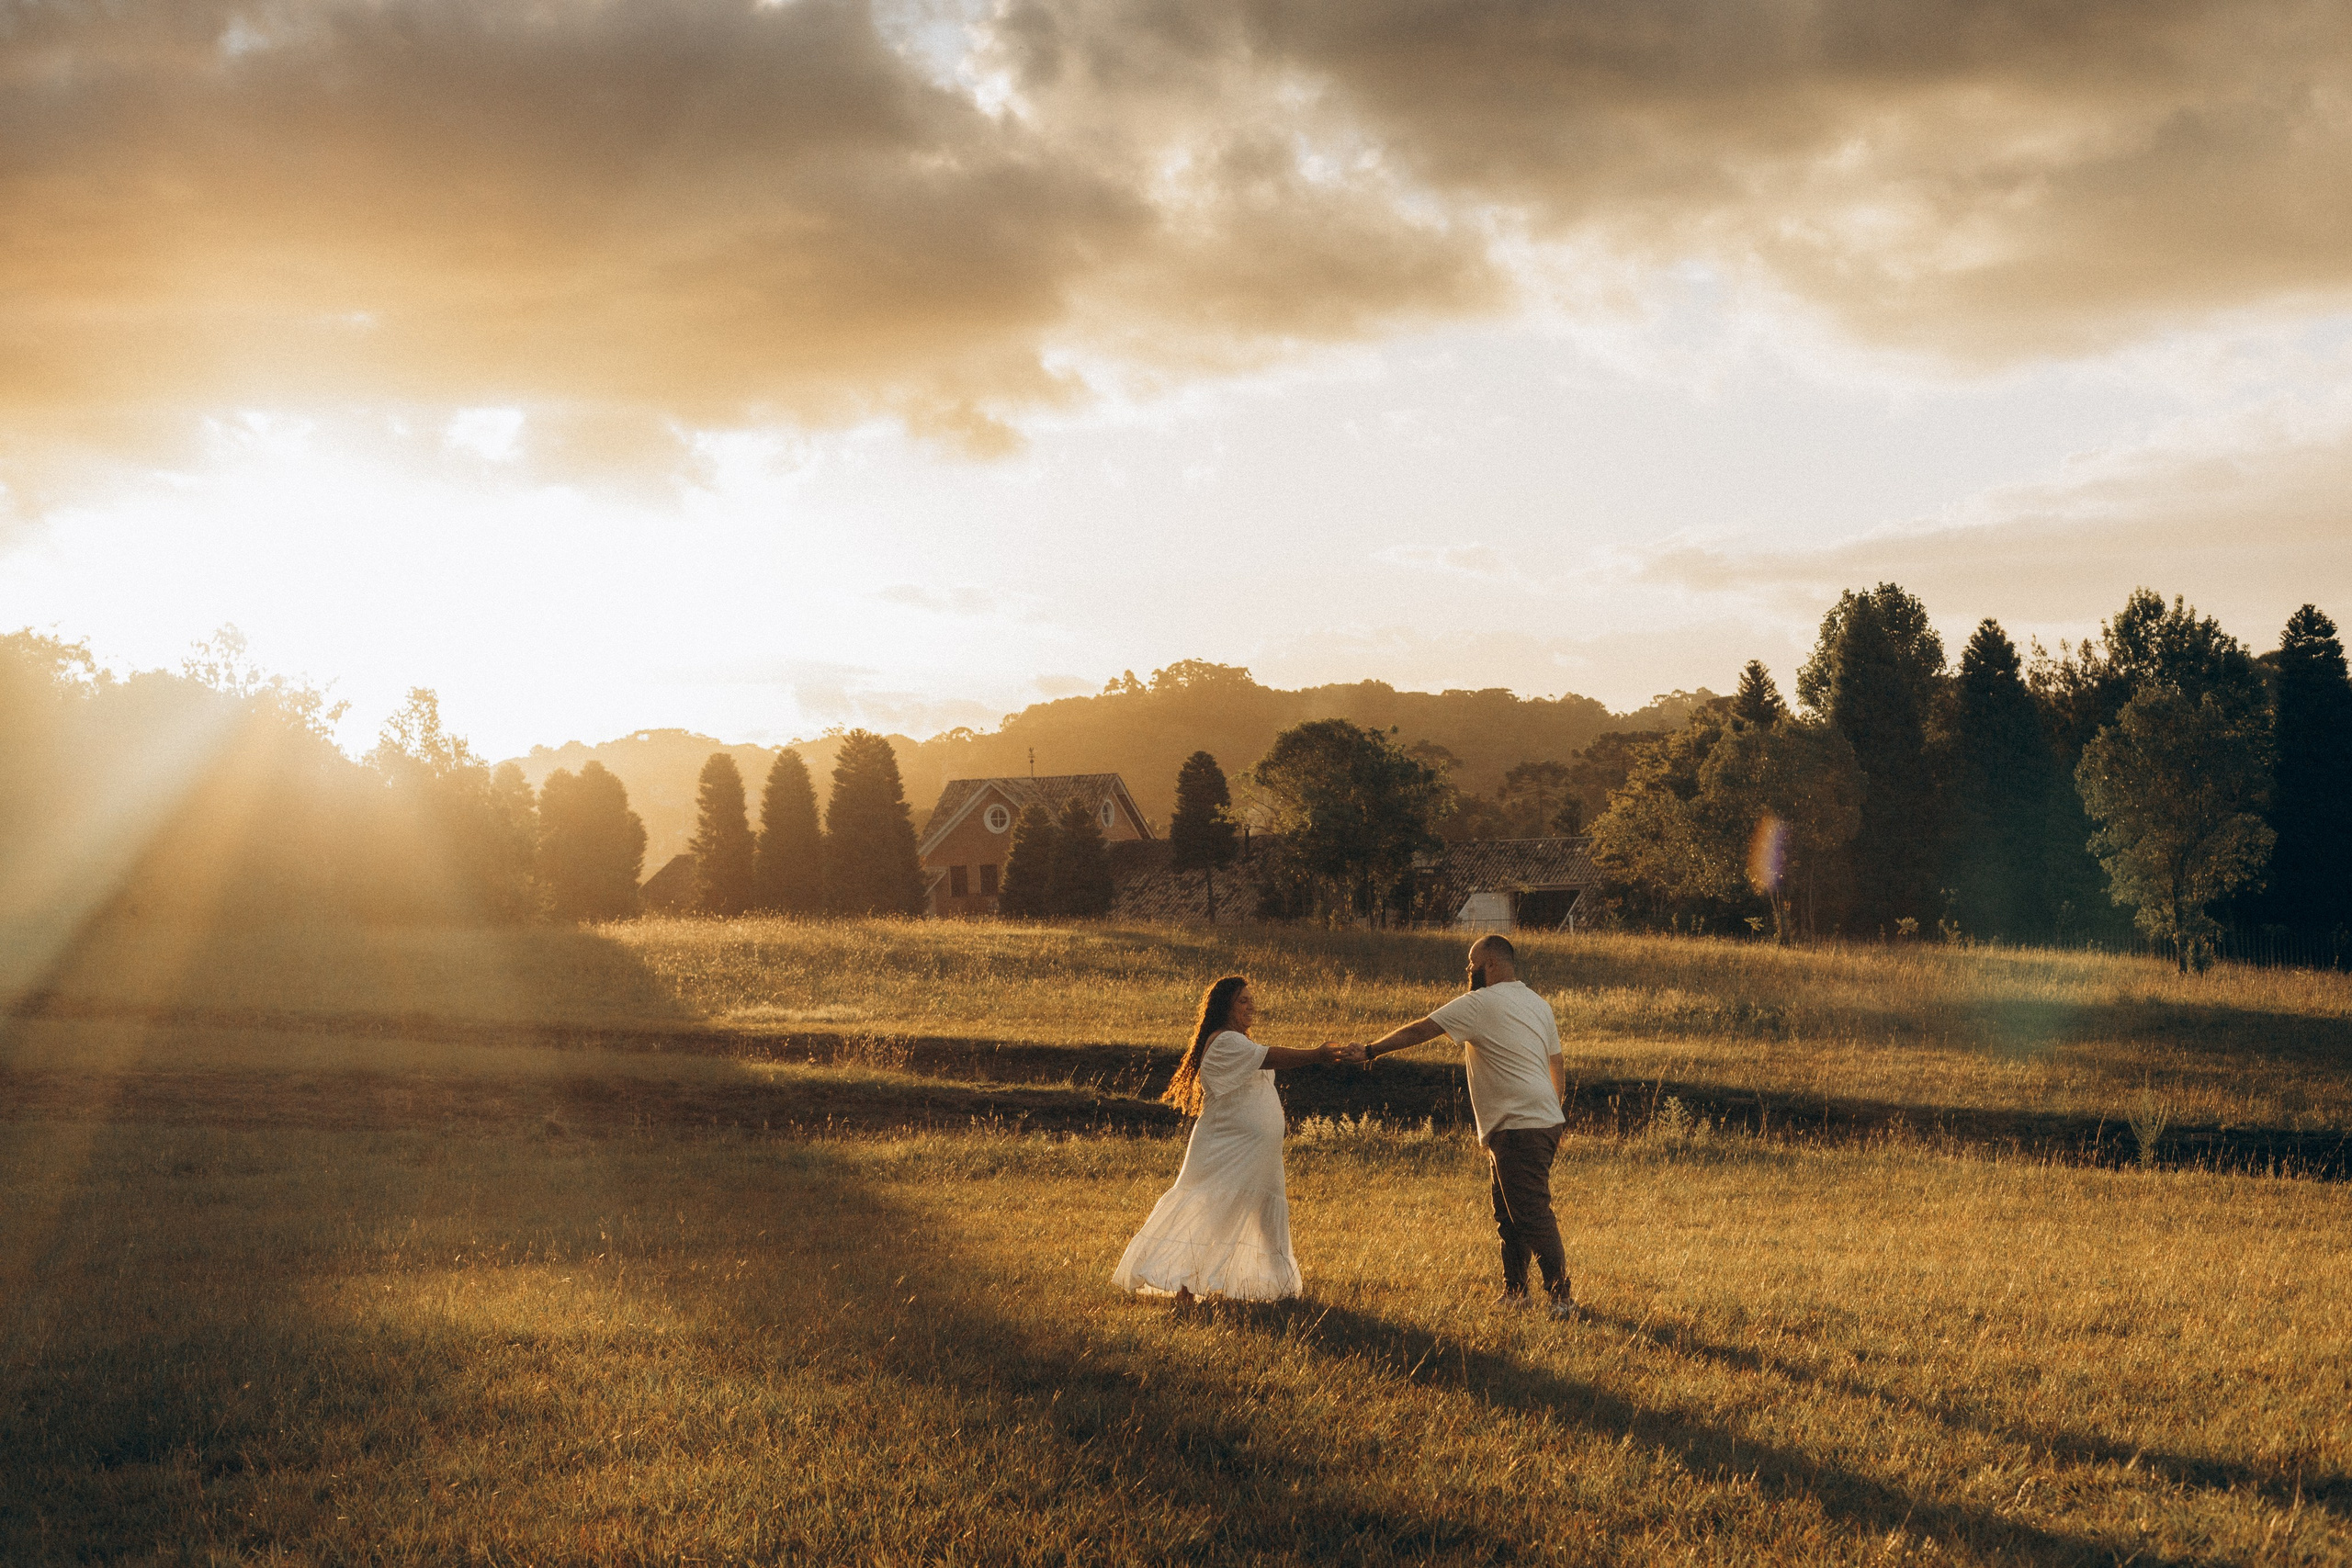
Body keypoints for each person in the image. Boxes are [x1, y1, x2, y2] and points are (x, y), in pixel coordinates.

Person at [1352, 934, 1574, 1317]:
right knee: (1509, 1212)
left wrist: (1371, 1050)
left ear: (1490, 964)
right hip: (1533, 1121)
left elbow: (1422, 1029)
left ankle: (1562, 1298)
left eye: (1472, 964)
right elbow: (1557, 1063)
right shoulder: (1538, 1003)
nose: (1468, 972)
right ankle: (1516, 1293)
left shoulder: (1479, 1003)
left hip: (1519, 1125)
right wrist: (1554, 1111)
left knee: (1532, 1213)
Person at [1114, 975, 1347, 1302]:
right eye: (1243, 1000)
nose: (1252, 1005)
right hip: (1226, 1148)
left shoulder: (1242, 1043)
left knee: (1266, 1215)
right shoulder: (1225, 1042)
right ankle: (1186, 1289)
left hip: (1256, 1151)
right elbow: (1271, 1057)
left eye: (1251, 999)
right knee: (1212, 1214)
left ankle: (1281, 1290)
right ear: (1225, 1007)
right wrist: (1316, 1054)